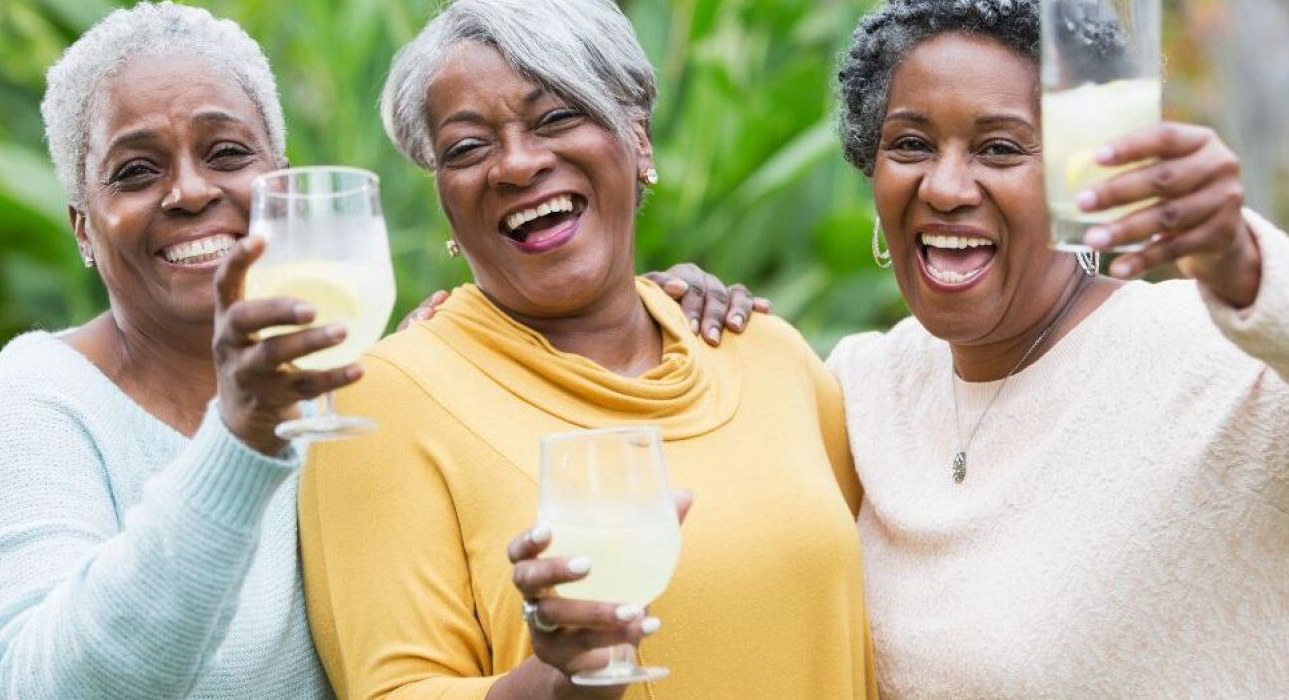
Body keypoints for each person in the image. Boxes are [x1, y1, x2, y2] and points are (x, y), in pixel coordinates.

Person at [0, 3, 746, 698]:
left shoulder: (355, 397)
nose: (190, 191)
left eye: (227, 153)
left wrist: (632, 304)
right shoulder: (33, 406)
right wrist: (240, 440)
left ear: (282, 181)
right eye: (136, 171)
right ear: (83, 226)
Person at [825, 0, 1289, 696]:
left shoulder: (1209, 363)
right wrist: (702, 322)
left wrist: (1247, 265)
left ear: (1082, 172)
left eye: (1000, 149)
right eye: (911, 145)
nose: (946, 188)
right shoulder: (866, 389)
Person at [296, 1, 876, 699]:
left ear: (638, 139)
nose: (517, 164)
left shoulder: (770, 356)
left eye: (556, 117)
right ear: (444, 198)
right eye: (468, 148)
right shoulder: (387, 401)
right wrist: (560, 681)